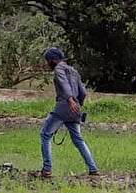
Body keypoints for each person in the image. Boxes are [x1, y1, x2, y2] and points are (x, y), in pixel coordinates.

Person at [38, 47, 99, 178]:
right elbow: (83, 93)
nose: (48, 63)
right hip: (75, 108)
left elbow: (64, 83)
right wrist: (77, 105)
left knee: (45, 135)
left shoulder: (58, 69)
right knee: (78, 140)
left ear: (53, 60)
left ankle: (47, 169)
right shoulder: (73, 71)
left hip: (64, 106)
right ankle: (93, 168)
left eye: (48, 61)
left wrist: (70, 99)